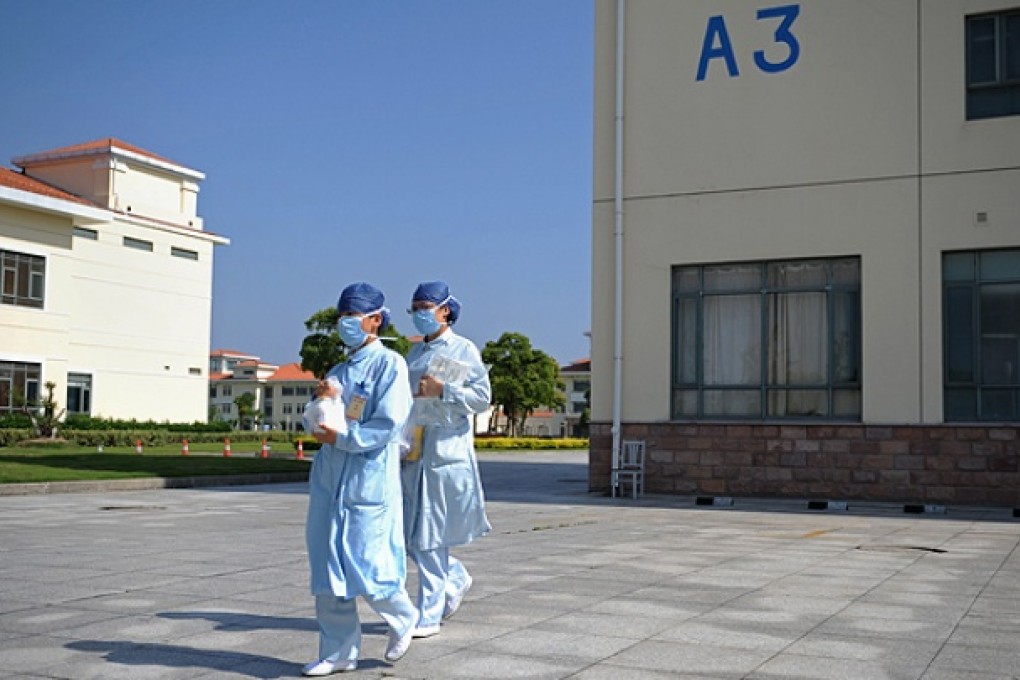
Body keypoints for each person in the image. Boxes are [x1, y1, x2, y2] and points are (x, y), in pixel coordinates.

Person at [303, 282, 416, 676]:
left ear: (376, 319)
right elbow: (319, 417)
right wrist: (322, 401)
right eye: (343, 316)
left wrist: (345, 437)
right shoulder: (337, 370)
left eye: (354, 315)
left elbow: (387, 424)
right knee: (327, 566)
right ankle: (338, 652)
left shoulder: (391, 364)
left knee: (369, 562)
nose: (346, 323)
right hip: (331, 478)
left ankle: (403, 617)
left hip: (368, 476)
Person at [401, 281, 492, 638]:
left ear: (446, 310)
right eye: (415, 308)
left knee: (431, 536)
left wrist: (445, 390)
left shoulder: (462, 349)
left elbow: (482, 397)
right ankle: (455, 577)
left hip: (445, 455)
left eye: (426, 307)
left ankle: (429, 612)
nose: (420, 314)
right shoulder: (414, 355)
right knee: (410, 536)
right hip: (415, 451)